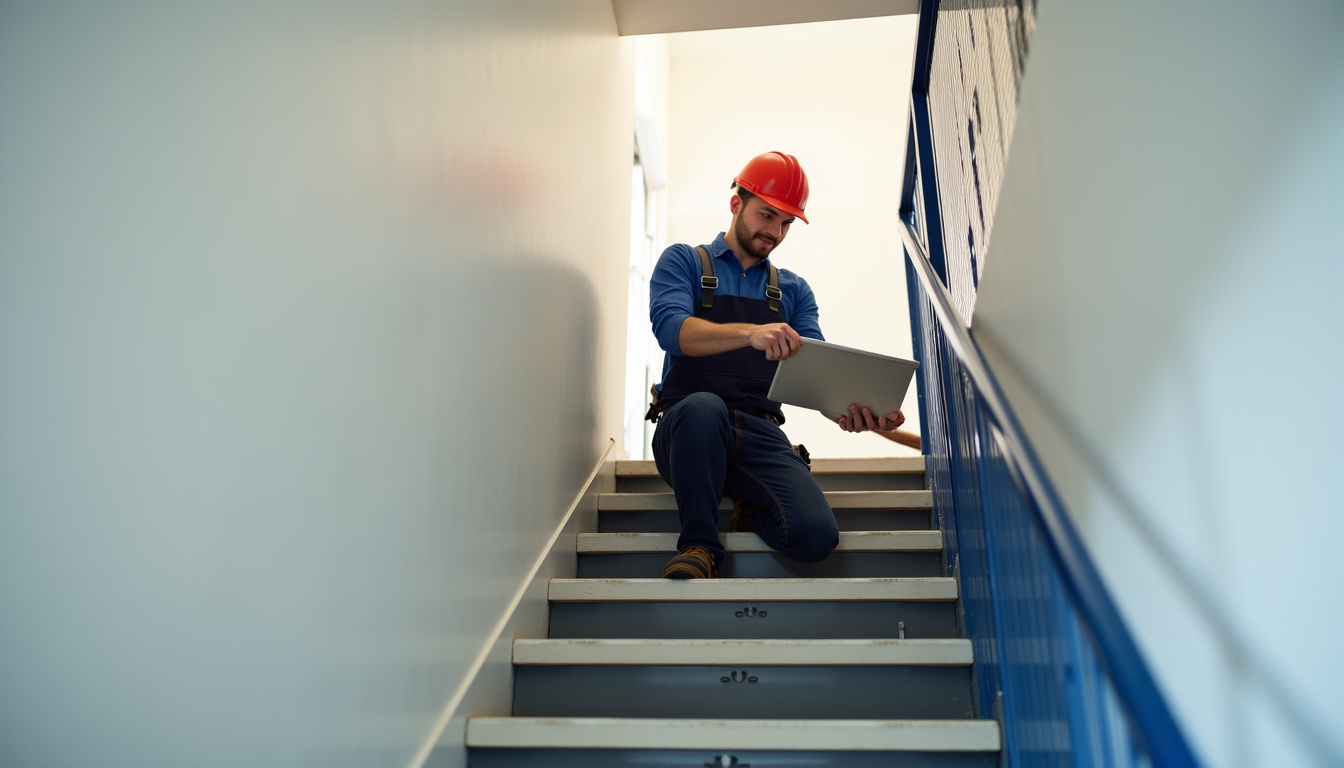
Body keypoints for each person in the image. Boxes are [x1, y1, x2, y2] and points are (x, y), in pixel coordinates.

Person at [646, 151, 904, 579]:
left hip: (758, 433)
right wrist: (749, 332)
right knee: (704, 406)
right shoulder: (684, 262)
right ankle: (699, 546)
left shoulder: (794, 291)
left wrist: (853, 412)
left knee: (815, 536)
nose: (775, 232)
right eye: (767, 215)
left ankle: (747, 506)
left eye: (785, 223)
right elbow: (672, 330)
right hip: (686, 429)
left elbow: (815, 372)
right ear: (736, 204)